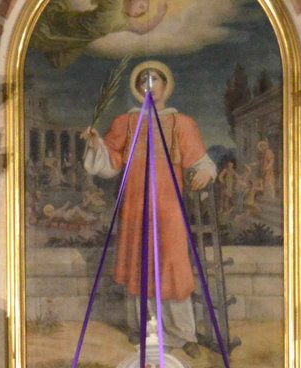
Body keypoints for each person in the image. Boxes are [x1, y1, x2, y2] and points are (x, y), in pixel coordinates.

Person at [80, 62, 216, 349]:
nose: (150, 86)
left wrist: (205, 171)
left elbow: (199, 160)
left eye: (156, 80)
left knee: (173, 264)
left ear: (167, 86)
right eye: (145, 81)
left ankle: (182, 333)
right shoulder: (126, 123)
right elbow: (110, 161)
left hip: (169, 207)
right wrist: (95, 144)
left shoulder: (181, 123)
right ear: (138, 88)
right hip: (137, 208)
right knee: (141, 264)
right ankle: (143, 330)